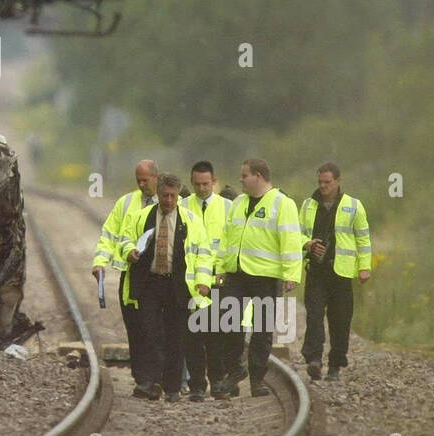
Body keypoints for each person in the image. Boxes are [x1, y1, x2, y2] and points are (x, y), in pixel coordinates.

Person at [113, 173, 211, 401]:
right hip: (149, 283)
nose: (168, 201)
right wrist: (128, 250)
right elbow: (125, 238)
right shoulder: (141, 217)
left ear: (178, 196)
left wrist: (203, 281)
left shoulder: (191, 221)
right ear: (158, 194)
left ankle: (173, 387)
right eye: (164, 195)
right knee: (150, 332)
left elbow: (204, 253)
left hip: (177, 284)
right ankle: (150, 382)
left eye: (173, 196)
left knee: (175, 337)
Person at [212, 158, 302, 399]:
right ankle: (235, 371)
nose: (240, 179)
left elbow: (291, 240)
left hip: (267, 277)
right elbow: (227, 238)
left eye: (244, 175)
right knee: (227, 322)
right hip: (236, 274)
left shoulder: (283, 204)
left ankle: (257, 379)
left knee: (262, 330)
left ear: (259, 176)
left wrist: (291, 274)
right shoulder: (239, 203)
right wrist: (221, 267)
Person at [299, 162, 372, 381]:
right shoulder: (308, 205)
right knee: (314, 316)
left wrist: (364, 267)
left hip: (341, 272)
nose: (323, 186)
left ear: (338, 181)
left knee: (340, 320)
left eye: (327, 182)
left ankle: (335, 364)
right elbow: (296, 234)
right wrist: (308, 244)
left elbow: (363, 238)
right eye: (320, 182)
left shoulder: (353, 206)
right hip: (316, 270)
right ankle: (314, 359)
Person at [91, 161, 158, 393]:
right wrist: (100, 262)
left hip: (158, 278)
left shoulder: (169, 202)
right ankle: (142, 379)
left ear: (156, 177)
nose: (141, 184)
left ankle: (153, 378)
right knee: (135, 327)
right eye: (138, 180)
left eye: (146, 180)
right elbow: (108, 235)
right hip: (131, 277)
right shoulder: (126, 203)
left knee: (154, 328)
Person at [181, 161, 232, 399]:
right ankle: (197, 385)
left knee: (217, 335)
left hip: (218, 281)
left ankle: (218, 382)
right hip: (190, 283)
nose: (202, 188)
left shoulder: (228, 208)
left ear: (214, 181)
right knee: (192, 336)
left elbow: (232, 244)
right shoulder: (182, 207)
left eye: (206, 183)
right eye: (197, 184)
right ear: (191, 183)